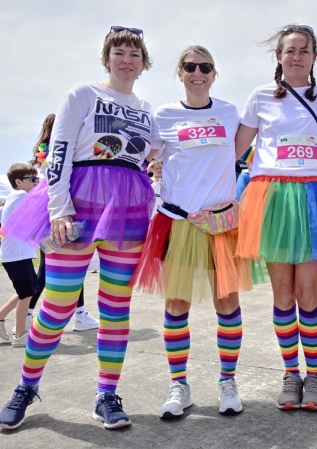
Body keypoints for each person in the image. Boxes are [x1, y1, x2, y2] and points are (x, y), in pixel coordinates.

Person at [0, 25, 159, 430]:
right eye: (119, 52)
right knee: (57, 303)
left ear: (143, 64)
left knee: (116, 306)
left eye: (134, 54)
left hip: (130, 210)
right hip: (80, 205)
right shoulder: (83, 93)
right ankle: (26, 387)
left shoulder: (147, 109)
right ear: (107, 58)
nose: (126, 59)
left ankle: (107, 394)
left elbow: (159, 155)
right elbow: (60, 152)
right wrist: (59, 210)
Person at [132, 45, 252, 418]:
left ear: (214, 73)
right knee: (176, 305)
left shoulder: (230, 112)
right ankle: (179, 385)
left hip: (220, 224)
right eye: (189, 66)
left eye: (205, 66)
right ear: (179, 73)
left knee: (228, 304)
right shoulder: (163, 115)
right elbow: (141, 156)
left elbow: (246, 148)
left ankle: (227, 382)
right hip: (178, 220)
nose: (197, 72)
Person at [234, 24, 317, 411]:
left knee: (308, 293)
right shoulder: (260, 96)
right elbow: (235, 148)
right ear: (279, 57)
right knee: (281, 294)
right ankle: (290, 373)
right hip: (272, 198)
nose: (297, 56)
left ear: (315, 57)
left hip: (314, 195)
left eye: (304, 50)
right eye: (290, 50)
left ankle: (314, 376)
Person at [19, 113, 99, 333]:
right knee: (49, 271)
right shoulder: (62, 151)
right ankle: (27, 314)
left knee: (70, 267)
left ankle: (80, 314)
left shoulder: (46, 152)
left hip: (53, 212)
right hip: (63, 213)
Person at [0, 164, 40, 347]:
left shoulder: (17, 197)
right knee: (26, 293)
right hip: (16, 255)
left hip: (18, 254)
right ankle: (20, 335)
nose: (36, 182)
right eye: (32, 179)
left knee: (29, 290)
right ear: (18, 182)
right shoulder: (20, 195)